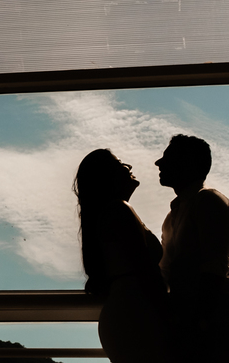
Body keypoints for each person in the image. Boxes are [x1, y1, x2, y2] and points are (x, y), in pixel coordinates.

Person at [155, 134, 229, 363]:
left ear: (187, 163)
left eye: (167, 157)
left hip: (215, 326)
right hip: (200, 325)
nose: (158, 163)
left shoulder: (209, 201)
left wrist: (199, 323)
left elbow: (215, 268)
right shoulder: (172, 216)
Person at [74, 149, 174, 363]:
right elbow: (146, 271)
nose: (128, 167)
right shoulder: (119, 210)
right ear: (108, 176)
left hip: (127, 314)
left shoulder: (109, 215)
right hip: (138, 314)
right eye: (120, 164)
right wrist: (170, 317)